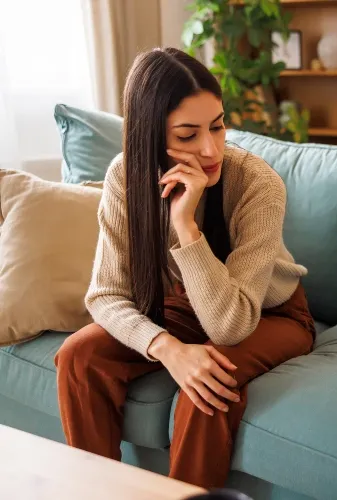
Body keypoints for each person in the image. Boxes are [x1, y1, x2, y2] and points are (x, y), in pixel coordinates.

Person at [54, 47, 315, 489]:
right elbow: (105, 295)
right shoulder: (125, 177)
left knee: (207, 385)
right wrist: (168, 349)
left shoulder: (258, 184)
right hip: (185, 307)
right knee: (79, 357)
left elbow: (230, 326)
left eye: (217, 125)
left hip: (267, 313)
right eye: (187, 134)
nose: (211, 148)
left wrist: (185, 224)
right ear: (150, 137)